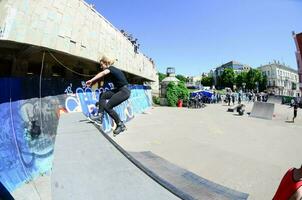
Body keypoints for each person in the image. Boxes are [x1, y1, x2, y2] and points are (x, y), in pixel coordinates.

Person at [86, 56, 131, 136]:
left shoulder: (111, 69)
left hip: (124, 91)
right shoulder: (113, 70)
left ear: (106, 63)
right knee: (103, 95)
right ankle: (99, 117)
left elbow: (103, 73)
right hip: (120, 89)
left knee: (108, 107)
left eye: (101, 64)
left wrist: (91, 80)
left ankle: (120, 125)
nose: (101, 67)